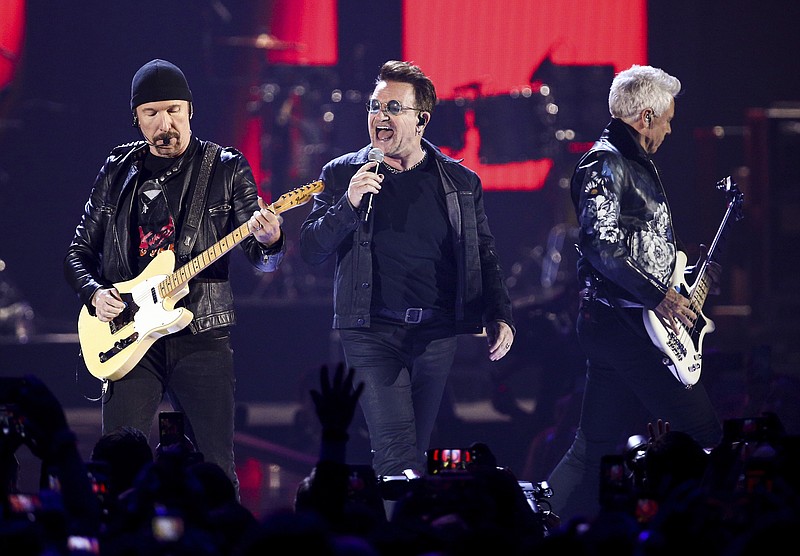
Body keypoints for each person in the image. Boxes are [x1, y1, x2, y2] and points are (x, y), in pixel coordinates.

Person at [64, 59, 285, 496]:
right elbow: (77, 253)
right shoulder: (116, 170)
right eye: (152, 113)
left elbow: (261, 261)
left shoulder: (225, 167)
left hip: (201, 335)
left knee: (215, 468)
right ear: (136, 118)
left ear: (189, 109)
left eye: (173, 111)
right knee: (118, 465)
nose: (165, 124)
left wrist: (272, 240)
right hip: (128, 334)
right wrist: (94, 294)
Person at [299, 61, 515, 494]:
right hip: (371, 331)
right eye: (375, 106)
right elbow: (310, 249)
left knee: (416, 452)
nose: (380, 116)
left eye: (393, 107)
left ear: (421, 120)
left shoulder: (459, 181)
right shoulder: (342, 174)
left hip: (436, 334)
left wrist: (499, 313)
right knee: (395, 453)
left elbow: (483, 253)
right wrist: (348, 203)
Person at [545, 64, 723, 523]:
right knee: (703, 430)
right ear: (645, 116)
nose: (669, 128)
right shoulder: (605, 163)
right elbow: (603, 246)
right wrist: (659, 297)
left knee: (593, 444)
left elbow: (642, 246)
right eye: (666, 119)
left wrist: (684, 280)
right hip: (623, 326)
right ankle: (713, 525)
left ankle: (538, 522)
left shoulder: (634, 164)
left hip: (625, 325)